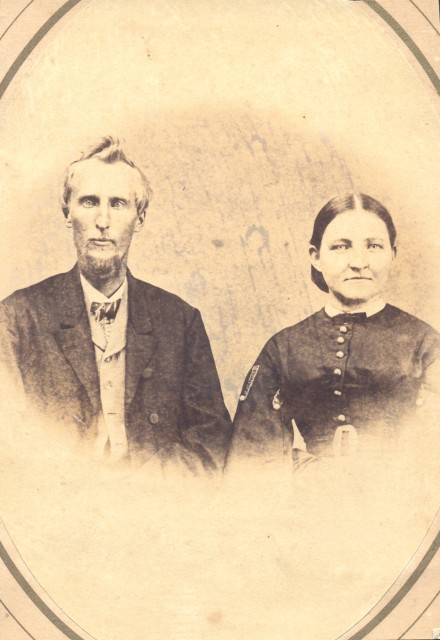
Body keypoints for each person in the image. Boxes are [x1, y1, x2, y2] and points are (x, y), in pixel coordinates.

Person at [0, 137, 232, 474]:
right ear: (67, 213)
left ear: (140, 218)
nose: (103, 220)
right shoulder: (16, 318)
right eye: (89, 202)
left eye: (118, 204)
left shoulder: (180, 321)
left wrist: (147, 488)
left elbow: (211, 440)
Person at [229, 193, 440, 468]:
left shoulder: (426, 343)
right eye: (341, 247)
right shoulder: (283, 347)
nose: (359, 262)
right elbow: (252, 455)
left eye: (374, 246)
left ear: (392, 254)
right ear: (316, 257)